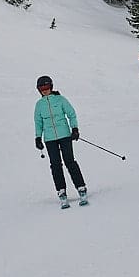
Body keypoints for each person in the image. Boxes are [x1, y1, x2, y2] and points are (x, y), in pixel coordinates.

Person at [34, 75, 88, 206]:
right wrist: (37, 137)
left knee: (70, 161)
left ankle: (81, 187)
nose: (45, 90)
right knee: (55, 165)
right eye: (42, 88)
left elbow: (71, 114)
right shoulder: (39, 105)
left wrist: (74, 129)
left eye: (47, 87)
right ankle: (61, 190)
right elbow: (38, 122)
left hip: (64, 135)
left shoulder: (60, 99)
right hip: (50, 139)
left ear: (51, 87)